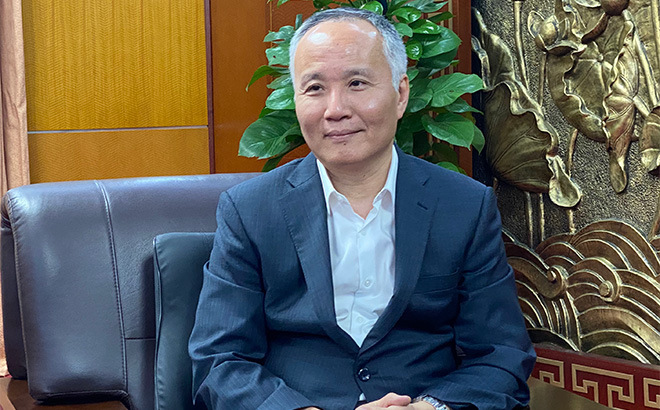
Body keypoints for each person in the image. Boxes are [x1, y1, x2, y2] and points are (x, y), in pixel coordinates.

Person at [189, 8, 536, 410]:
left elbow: (500, 354)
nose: (335, 109)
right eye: (315, 88)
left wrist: (429, 408)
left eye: (356, 83)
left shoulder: (463, 206)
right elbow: (220, 360)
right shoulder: (250, 210)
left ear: (401, 94)